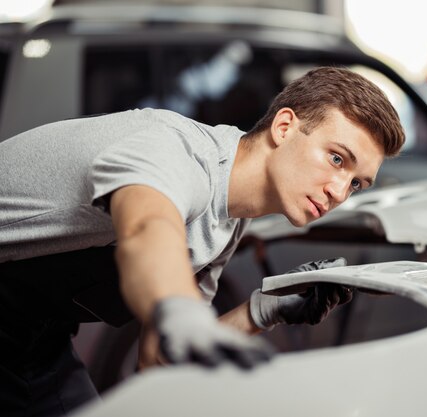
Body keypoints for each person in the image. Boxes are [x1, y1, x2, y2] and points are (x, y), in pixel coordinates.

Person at [0, 66, 405, 416]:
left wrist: (263, 311)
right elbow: (148, 224)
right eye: (337, 158)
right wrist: (177, 307)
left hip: (30, 339)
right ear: (284, 127)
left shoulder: (226, 225)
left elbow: (158, 359)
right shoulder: (179, 152)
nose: (339, 190)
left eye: (356, 183)